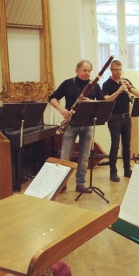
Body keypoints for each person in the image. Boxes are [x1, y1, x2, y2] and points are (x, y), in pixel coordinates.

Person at [49, 60, 105, 193]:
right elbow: (52, 98)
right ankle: (62, 183)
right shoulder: (68, 83)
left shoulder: (94, 86)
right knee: (65, 154)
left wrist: (91, 101)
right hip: (71, 124)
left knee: (84, 155)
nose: (87, 73)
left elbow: (102, 101)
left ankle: (80, 183)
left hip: (88, 125)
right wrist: (62, 110)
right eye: (84, 70)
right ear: (77, 70)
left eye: (89, 70)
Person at [102, 60, 139, 181]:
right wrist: (119, 91)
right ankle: (113, 172)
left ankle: (127, 170)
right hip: (114, 118)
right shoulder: (107, 84)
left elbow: (138, 94)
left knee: (127, 146)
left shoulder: (126, 81)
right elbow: (107, 99)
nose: (118, 72)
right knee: (115, 146)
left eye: (120, 69)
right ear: (111, 70)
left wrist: (129, 88)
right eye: (115, 70)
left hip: (126, 117)